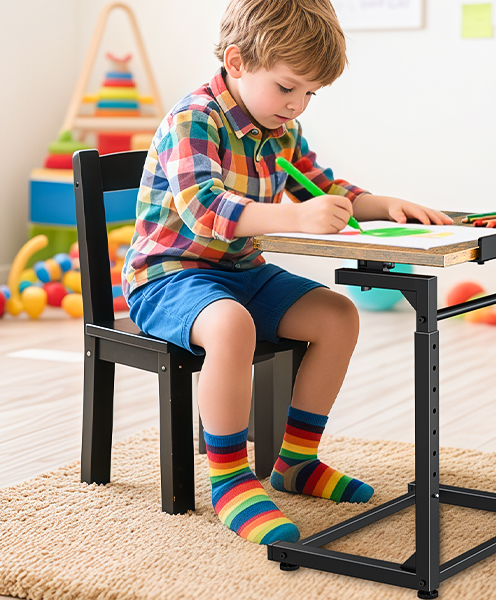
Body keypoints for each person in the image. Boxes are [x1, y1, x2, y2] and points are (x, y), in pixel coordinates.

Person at [121, 0, 452, 544]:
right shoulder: (193, 119)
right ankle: (230, 479)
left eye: (309, 95)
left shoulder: (279, 130)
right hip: (169, 278)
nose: (296, 105)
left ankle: (296, 461)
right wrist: (293, 215)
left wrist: (382, 203)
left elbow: (322, 186)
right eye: (287, 88)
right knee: (232, 327)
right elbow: (204, 208)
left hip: (241, 273)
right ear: (237, 61)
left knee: (337, 316)